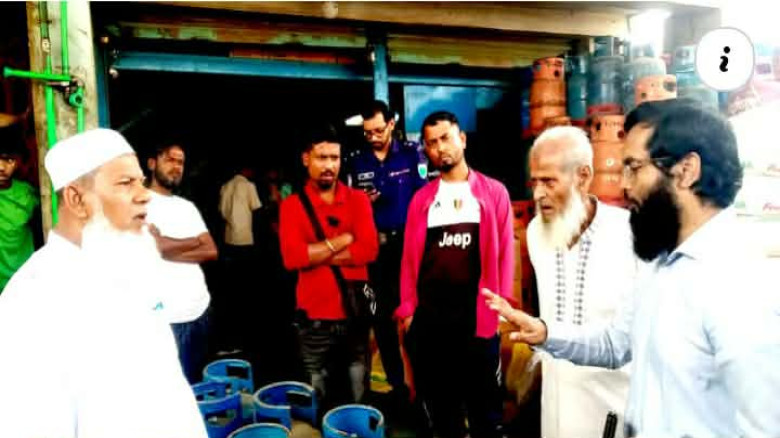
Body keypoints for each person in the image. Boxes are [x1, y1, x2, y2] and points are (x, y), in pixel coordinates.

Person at [484, 100, 780, 438]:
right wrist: (545, 333)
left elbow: (765, 426)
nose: (624, 185)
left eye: (634, 168)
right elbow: (616, 344)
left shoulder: (739, 282)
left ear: (686, 171)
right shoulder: (660, 263)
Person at [0, 128, 206, 438]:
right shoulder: (31, 301)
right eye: (125, 182)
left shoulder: (131, 266)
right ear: (76, 199)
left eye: (140, 181)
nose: (144, 194)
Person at [396, 111, 514, 438]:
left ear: (462, 139)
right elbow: (409, 262)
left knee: (485, 417)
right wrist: (409, 313)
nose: (440, 148)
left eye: (445, 138)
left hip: (477, 325)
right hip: (431, 327)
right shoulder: (421, 200)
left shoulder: (494, 193)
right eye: (432, 143)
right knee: (443, 417)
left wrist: (500, 309)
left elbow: (506, 253)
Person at [526, 126, 637, 438]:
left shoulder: (631, 234)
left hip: (611, 409)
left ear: (583, 176)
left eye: (549, 181)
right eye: (534, 182)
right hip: (555, 406)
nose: (538, 194)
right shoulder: (536, 232)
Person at [279, 124, 378, 409]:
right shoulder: (292, 206)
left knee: (358, 384)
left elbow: (369, 249)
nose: (329, 166)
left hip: (354, 310)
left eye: (334, 158)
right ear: (306, 159)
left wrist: (315, 253)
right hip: (313, 315)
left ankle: (357, 423)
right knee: (316, 386)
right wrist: (344, 240)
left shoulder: (358, 200)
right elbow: (292, 258)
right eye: (322, 157)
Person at [346, 100, 427, 405]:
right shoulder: (357, 161)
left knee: (414, 317)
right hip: (375, 252)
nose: (374, 137)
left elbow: (425, 197)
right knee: (380, 319)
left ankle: (422, 384)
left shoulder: (411, 154)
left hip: (409, 248)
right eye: (368, 133)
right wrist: (362, 204)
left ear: (392, 124)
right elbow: (348, 205)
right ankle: (397, 387)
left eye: (379, 130)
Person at [146, 140, 218, 383]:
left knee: (199, 385)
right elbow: (155, 248)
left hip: (200, 310)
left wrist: (167, 248)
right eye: (170, 160)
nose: (176, 167)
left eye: (181, 162)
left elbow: (211, 250)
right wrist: (193, 241)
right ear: (152, 163)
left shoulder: (187, 207)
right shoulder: (138, 204)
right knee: (172, 388)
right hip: (167, 318)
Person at [0, 123, 38, 293]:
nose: (1, 167)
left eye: (9, 160)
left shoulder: (28, 193)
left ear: (17, 162)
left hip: (24, 282)